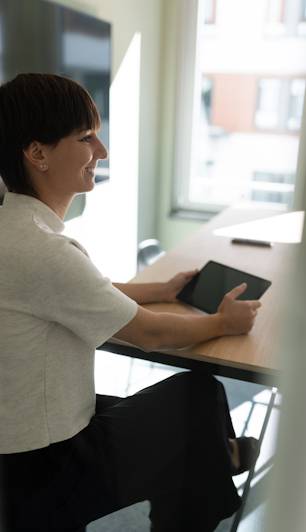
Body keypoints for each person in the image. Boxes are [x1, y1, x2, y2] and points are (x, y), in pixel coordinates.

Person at [0, 73, 261, 532]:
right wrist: (222, 321)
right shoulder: (43, 251)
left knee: (191, 425)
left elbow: (85, 291)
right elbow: (149, 334)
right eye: (86, 138)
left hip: (24, 443)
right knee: (198, 396)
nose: (101, 152)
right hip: (41, 473)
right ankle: (220, 458)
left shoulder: (17, 230)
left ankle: (219, 456)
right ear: (37, 153)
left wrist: (160, 290)